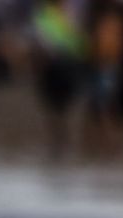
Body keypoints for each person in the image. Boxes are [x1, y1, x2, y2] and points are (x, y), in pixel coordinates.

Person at [31, 0, 86, 160]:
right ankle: (57, 142)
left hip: (68, 67)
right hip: (52, 68)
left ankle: (62, 141)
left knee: (64, 108)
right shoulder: (46, 16)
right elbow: (40, 40)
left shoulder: (71, 14)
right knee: (53, 109)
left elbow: (79, 42)